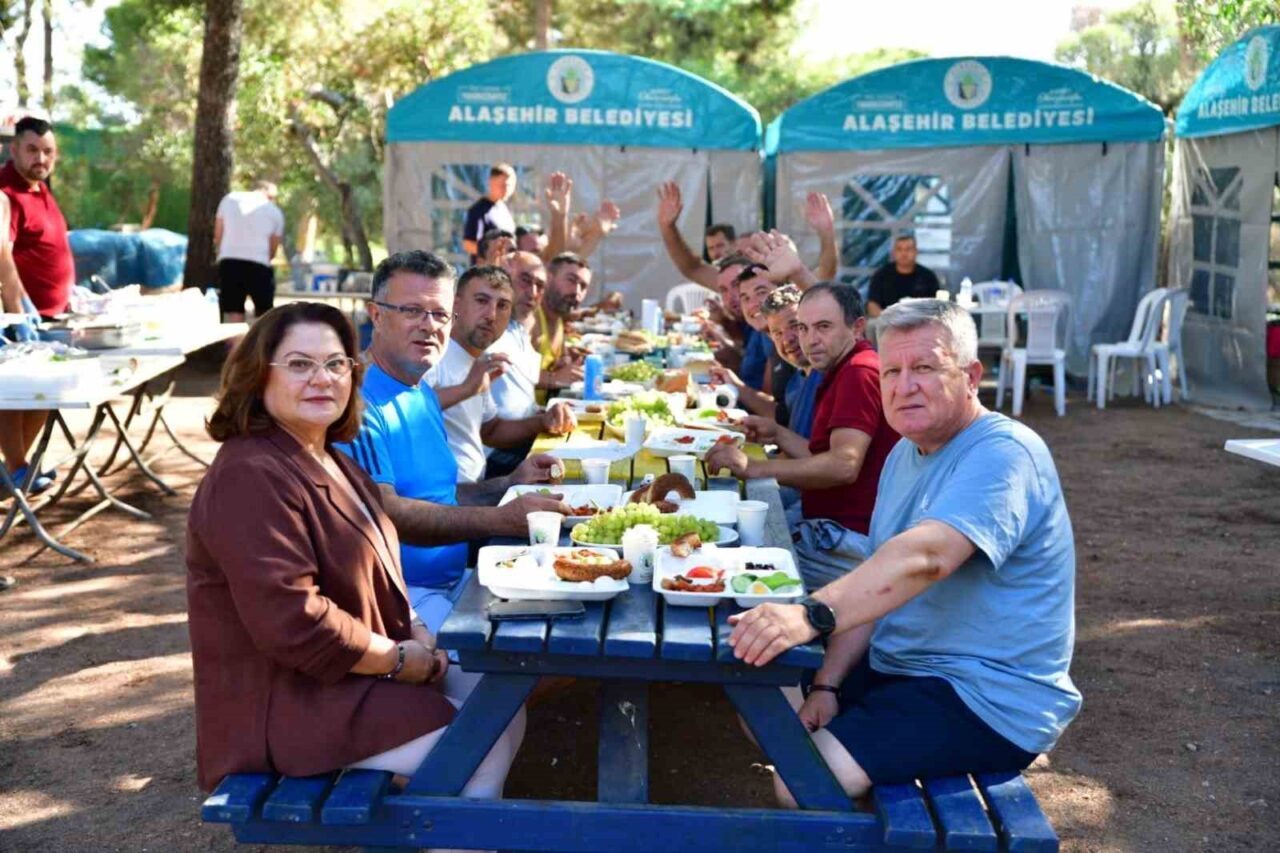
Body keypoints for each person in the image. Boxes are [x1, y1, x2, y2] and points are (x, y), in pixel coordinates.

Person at [725, 298, 1081, 806]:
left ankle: (882, 804)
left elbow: (927, 557)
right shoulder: (903, 453)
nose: (904, 385)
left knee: (799, 784)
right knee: (762, 704)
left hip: (983, 695)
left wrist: (811, 614)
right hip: (901, 667)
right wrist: (827, 684)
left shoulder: (1005, 452)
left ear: (971, 376)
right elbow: (881, 578)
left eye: (925, 368)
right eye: (891, 371)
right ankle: (870, 772)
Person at [186, 301, 522, 800]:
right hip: (289, 701)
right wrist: (397, 659)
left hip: (349, 676)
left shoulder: (329, 458)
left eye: (335, 364)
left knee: (499, 702)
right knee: (478, 747)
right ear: (258, 376)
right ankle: (450, 830)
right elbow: (295, 621)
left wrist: (418, 629)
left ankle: (447, 821)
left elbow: (383, 565)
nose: (321, 378)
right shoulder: (249, 475)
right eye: (299, 364)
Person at [337, 250, 570, 629]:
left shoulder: (420, 391)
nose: (429, 325)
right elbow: (385, 513)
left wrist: (508, 484)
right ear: (376, 315)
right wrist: (500, 519)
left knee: (566, 613)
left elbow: (441, 495)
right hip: (397, 599)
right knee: (533, 645)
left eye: (440, 314)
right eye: (413, 311)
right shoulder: (356, 400)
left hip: (452, 583)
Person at [704, 284, 899, 587]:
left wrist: (753, 467)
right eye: (804, 328)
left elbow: (843, 466)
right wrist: (779, 434)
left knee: (724, 561)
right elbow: (825, 457)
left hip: (844, 539)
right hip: (829, 526)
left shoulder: (859, 372)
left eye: (823, 327)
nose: (810, 340)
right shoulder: (843, 368)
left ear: (857, 327)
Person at [427, 265, 575, 483]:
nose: (491, 315)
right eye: (481, 301)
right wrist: (466, 389)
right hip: (444, 495)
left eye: (503, 305)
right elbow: (401, 409)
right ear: (455, 304)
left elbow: (492, 430)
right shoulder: (432, 354)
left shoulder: (479, 361)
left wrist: (544, 421)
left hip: (478, 484)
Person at [0, 116, 75, 495]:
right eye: (32, 150)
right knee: (12, 394)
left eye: (48, 152)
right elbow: (2, 254)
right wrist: (16, 312)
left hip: (53, 316)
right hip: (20, 317)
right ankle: (15, 468)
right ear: (13, 149)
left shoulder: (39, 188)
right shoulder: (6, 192)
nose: (41, 158)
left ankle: (13, 470)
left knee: (45, 391)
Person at [486, 251, 580, 477]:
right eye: (525, 280)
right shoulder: (485, 330)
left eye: (540, 286)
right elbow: (492, 431)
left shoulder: (518, 330)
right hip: (497, 457)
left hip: (523, 440)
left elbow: (523, 397)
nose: (533, 292)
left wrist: (549, 412)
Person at [214, 180, 285, 323]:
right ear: (266, 192)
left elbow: (218, 233)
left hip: (230, 261)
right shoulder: (275, 212)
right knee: (264, 312)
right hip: (259, 263)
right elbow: (274, 244)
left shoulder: (229, 200)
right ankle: (261, 336)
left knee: (233, 310)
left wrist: (222, 251)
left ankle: (235, 336)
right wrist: (267, 258)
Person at [761, 285, 822, 439]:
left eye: (795, 326)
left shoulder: (832, 379)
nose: (787, 339)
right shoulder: (793, 385)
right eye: (777, 333)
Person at [531, 252, 591, 384]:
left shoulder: (558, 318)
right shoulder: (530, 318)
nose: (576, 292)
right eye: (571, 280)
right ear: (548, 278)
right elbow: (511, 374)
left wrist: (568, 358)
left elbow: (558, 360)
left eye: (583, 286)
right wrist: (554, 378)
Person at [865, 234, 941, 317]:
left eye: (908, 249)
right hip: (888, 321)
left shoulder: (928, 277)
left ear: (916, 252)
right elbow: (872, 305)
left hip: (920, 321)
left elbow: (936, 305)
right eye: (899, 249)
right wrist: (886, 319)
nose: (904, 253)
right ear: (894, 253)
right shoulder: (881, 275)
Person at [463, 163, 517, 262]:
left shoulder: (504, 209)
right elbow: (468, 245)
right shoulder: (478, 210)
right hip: (487, 267)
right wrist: (493, 254)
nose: (506, 189)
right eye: (502, 185)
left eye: (509, 185)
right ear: (491, 182)